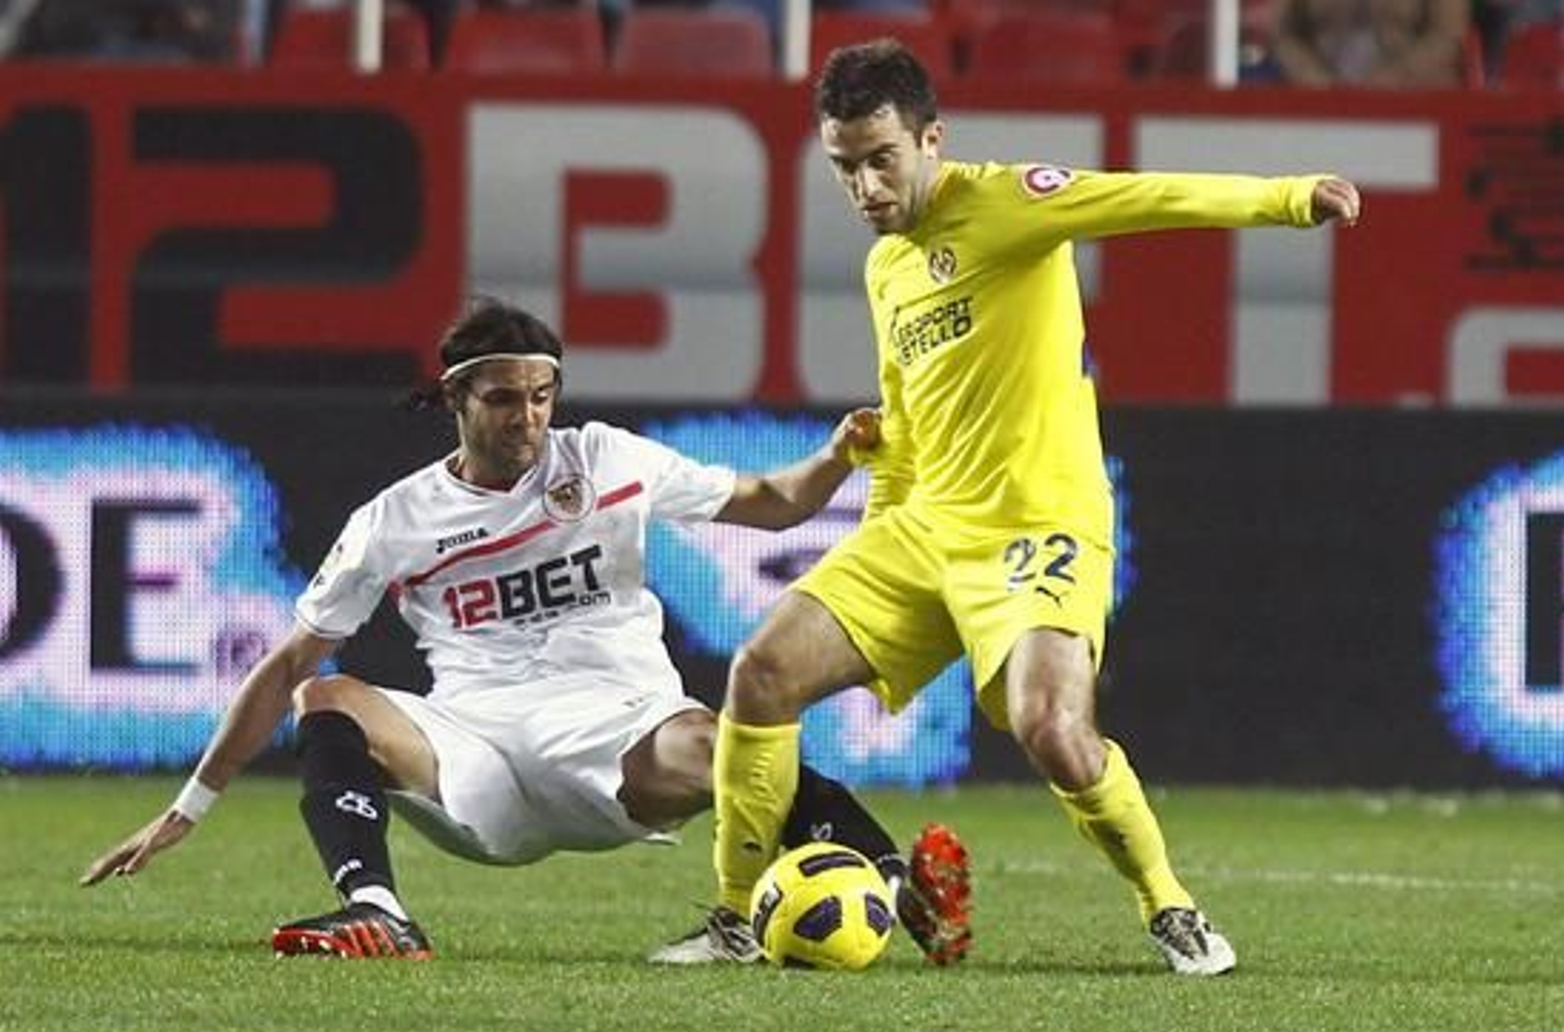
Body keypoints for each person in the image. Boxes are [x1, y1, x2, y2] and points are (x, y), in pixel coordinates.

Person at [661, 39, 1362, 975]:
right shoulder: (887, 271)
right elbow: (906, 414)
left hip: (1041, 527)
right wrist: (877, 552)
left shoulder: (1005, 203)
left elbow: (1142, 198)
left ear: (931, 140)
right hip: (922, 531)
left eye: (882, 159)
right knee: (762, 671)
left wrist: (1285, 198)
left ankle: (1170, 906)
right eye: (844, 167)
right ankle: (734, 915)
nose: (865, 186)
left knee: (1053, 730)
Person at [81, 295, 970, 965]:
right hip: (478, 745)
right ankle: (381, 913)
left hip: (623, 729)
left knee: (727, 737)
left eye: (542, 395)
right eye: (505, 398)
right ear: (457, 398)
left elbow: (772, 507)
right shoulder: (397, 517)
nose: (529, 417)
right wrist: (187, 806)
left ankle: (885, 881)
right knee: (329, 695)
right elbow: (284, 666)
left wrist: (836, 456)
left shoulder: (607, 460)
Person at [1271, 0, 1471, 87]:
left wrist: (1397, 77)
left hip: (1417, 100)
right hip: (1319, 100)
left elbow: (1447, 35)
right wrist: (1311, 75)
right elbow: (1284, 34)